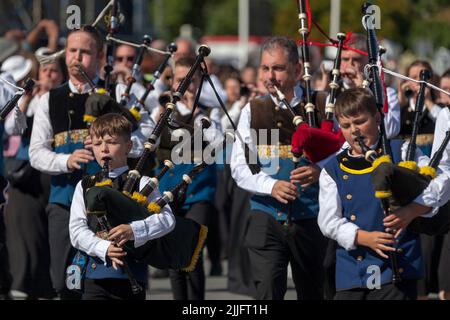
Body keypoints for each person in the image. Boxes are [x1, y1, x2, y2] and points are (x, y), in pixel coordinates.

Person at [28, 25, 154, 299]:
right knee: (64, 281)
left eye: (85, 52)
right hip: (64, 200)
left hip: (115, 199)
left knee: (112, 279)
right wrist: (67, 160)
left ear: (100, 57)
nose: (77, 58)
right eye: (72, 50)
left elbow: (148, 137)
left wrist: (114, 135)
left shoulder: (120, 93)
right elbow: (36, 152)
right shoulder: (50, 99)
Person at [317, 87, 449, 300]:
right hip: (352, 269)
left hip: (398, 267)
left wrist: (411, 211)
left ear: (377, 117)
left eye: (360, 122)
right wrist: (362, 237)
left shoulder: (402, 151)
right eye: (346, 126)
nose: (354, 131)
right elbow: (328, 221)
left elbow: (441, 183)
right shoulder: (333, 169)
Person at [230, 36, 327, 300]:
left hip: (312, 216)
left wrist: (320, 171)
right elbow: (239, 166)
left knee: (314, 291)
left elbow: (342, 154)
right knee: (268, 290)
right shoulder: (254, 109)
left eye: (278, 68)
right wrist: (271, 186)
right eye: (265, 68)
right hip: (266, 216)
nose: (270, 76)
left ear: (297, 70)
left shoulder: (319, 105)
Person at [69, 113, 175, 300]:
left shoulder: (143, 183)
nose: (104, 149)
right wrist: (103, 248)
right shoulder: (85, 185)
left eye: (111, 142)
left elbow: (167, 220)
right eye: (97, 143)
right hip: (94, 276)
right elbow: (76, 230)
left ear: (129, 146)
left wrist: (133, 229)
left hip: (131, 276)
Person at [154, 56, 221, 300]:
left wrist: (202, 116)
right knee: (174, 254)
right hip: (168, 189)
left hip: (198, 191)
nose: (186, 87)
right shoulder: (162, 111)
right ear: (172, 82)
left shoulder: (209, 112)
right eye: (181, 81)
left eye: (191, 81)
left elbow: (218, 144)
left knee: (193, 251)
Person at [3, 54, 66, 299]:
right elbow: (13, 128)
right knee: (30, 236)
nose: (49, 75)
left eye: (54, 72)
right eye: (45, 71)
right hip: (28, 176)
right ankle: (26, 286)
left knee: (52, 236)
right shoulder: (31, 100)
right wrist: (26, 100)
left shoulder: (63, 100)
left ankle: (49, 286)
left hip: (55, 172)